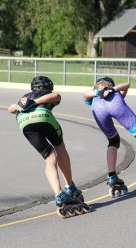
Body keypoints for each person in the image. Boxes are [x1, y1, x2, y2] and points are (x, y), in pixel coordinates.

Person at [8, 76, 88, 218]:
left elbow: (10, 109)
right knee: (60, 147)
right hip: (43, 116)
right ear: (48, 87)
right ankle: (70, 187)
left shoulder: (24, 97)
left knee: (49, 157)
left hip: (24, 122)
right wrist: (36, 102)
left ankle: (58, 194)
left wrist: (18, 106)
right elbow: (56, 96)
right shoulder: (46, 94)